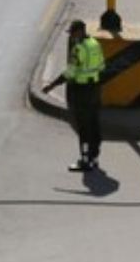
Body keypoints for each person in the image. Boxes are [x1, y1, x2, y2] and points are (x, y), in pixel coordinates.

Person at [43, 19, 106, 172]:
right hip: (95, 90)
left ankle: (84, 161)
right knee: (94, 124)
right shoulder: (94, 44)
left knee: (83, 127)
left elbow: (70, 73)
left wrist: (51, 86)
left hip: (82, 91)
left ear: (80, 31)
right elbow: (102, 66)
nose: (71, 36)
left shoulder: (79, 49)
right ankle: (94, 158)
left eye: (72, 33)